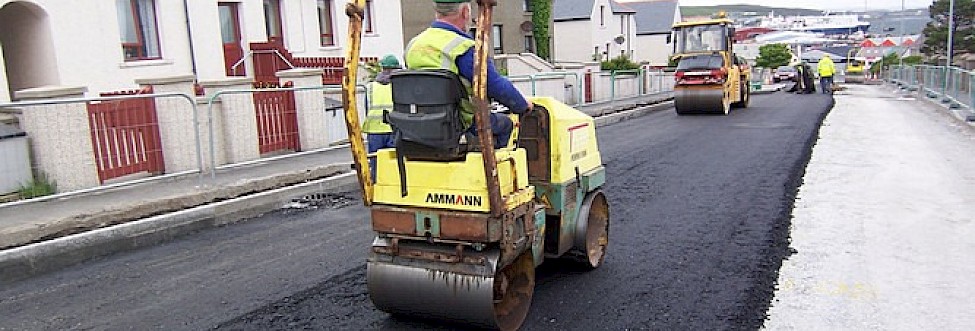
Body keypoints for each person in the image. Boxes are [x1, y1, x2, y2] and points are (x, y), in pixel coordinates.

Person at [404, 0, 532, 149]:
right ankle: (492, 168)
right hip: (458, 124)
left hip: (417, 124)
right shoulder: (463, 48)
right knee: (505, 125)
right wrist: (522, 105)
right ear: (465, 12)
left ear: (437, 12)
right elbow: (494, 85)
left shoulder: (414, 44)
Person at [364, 54, 400, 180]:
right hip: (393, 130)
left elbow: (367, 108)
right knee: (395, 163)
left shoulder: (370, 87)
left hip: (374, 131)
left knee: (376, 163)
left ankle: (376, 188)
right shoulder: (398, 86)